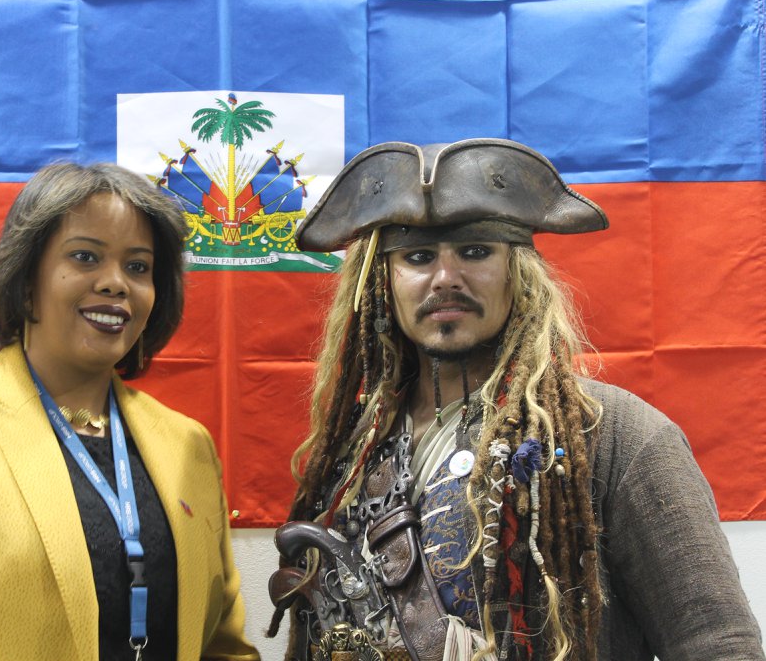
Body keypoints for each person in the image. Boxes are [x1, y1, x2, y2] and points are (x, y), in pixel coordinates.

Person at [268, 140, 764, 661]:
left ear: (518, 270)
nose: (446, 278)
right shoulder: (353, 452)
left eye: (475, 251)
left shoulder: (616, 435)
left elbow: (718, 644)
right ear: (382, 281)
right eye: (418, 257)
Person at [0, 162, 260, 661]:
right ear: (26, 279)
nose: (115, 283)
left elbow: (224, 647)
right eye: (85, 257)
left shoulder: (188, 445)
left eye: (138, 267)